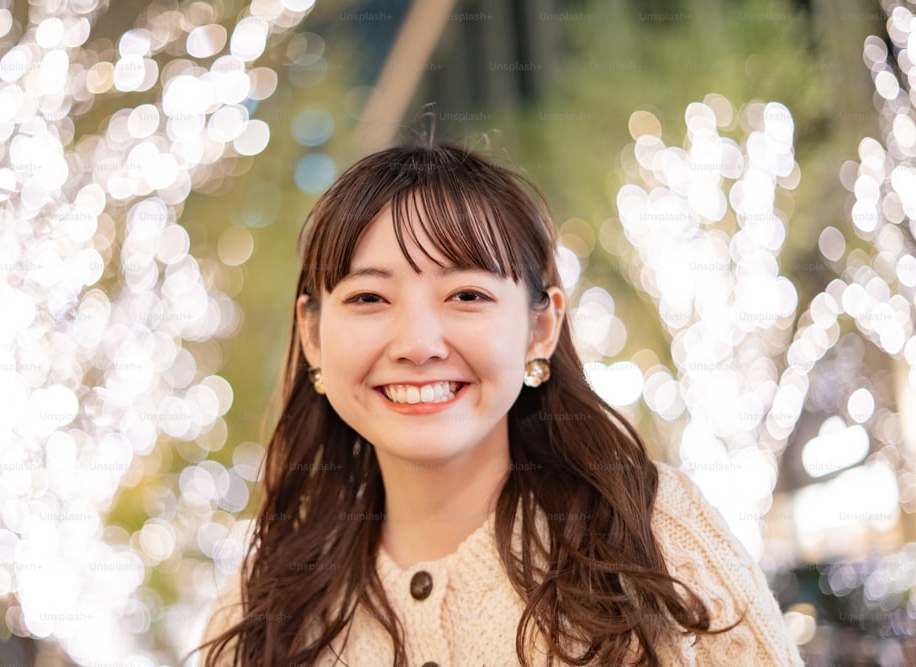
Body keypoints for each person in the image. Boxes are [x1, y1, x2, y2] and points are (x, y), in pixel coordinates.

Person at [197, 141, 805, 666]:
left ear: (541, 329)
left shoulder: (656, 537)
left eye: (465, 294)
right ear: (311, 332)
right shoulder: (261, 605)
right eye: (368, 298)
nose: (418, 345)